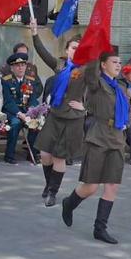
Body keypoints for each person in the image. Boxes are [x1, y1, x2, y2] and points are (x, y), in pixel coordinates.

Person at [61, 51, 129, 244]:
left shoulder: (119, 87)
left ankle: (100, 228)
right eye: (114, 62)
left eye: (120, 62)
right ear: (103, 65)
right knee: (91, 187)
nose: (118, 65)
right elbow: (90, 72)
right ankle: (69, 203)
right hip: (98, 136)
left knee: (112, 185)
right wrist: (96, 46)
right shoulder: (96, 83)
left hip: (116, 138)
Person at [28, 19, 85, 205]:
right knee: (45, 155)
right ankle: (48, 185)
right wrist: (35, 33)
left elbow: (100, 93)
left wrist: (86, 107)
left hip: (72, 119)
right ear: (67, 50)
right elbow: (43, 53)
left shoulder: (86, 71)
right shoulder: (60, 67)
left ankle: (52, 193)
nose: (75, 51)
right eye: (73, 47)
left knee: (59, 157)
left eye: (79, 48)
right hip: (55, 116)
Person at [1, 52, 43, 164]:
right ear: (12, 68)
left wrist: (31, 112)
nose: (20, 68)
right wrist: (20, 114)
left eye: (23, 65)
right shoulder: (6, 81)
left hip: (27, 111)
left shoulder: (30, 80)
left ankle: (32, 153)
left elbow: (33, 99)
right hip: (12, 112)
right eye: (17, 66)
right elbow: (8, 101)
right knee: (15, 124)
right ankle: (9, 155)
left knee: (36, 123)